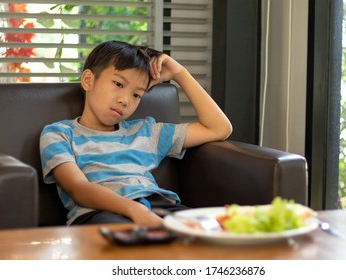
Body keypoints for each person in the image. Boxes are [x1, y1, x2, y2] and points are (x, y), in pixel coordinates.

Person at [40, 40, 232, 228]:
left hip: (160, 207)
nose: (125, 100)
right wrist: (134, 210)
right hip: (99, 214)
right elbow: (78, 189)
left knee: (214, 233)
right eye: (118, 84)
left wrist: (180, 74)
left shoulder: (146, 132)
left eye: (136, 95)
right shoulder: (59, 134)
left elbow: (219, 128)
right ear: (88, 80)